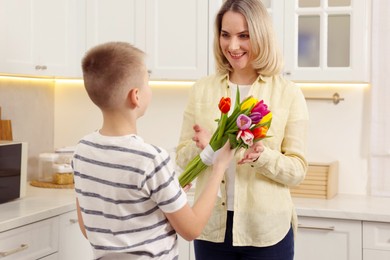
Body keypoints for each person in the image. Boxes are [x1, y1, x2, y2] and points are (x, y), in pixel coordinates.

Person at [72, 41, 235, 260]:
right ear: (136, 96)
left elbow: (87, 227)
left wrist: (169, 195)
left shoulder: (82, 151)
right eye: (147, 83)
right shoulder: (151, 159)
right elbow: (192, 229)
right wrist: (219, 167)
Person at [175, 0, 309, 259]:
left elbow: (298, 171)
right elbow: (181, 157)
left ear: (260, 35)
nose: (232, 46)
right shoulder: (202, 90)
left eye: (243, 36)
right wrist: (207, 146)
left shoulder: (288, 94)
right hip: (210, 227)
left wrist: (262, 157)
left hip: (267, 231)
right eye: (226, 35)